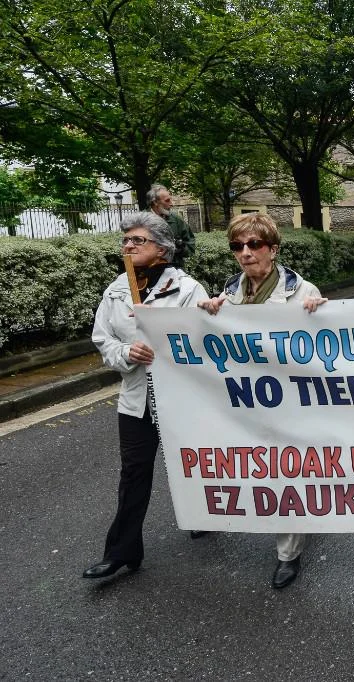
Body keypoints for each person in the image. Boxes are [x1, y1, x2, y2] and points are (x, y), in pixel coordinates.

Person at [197, 214, 327, 589]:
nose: (245, 253)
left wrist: (322, 315)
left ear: (273, 249)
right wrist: (207, 317)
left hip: (290, 399)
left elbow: (326, 345)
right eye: (237, 246)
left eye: (254, 244)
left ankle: (288, 554)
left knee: (287, 471)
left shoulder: (303, 292)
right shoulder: (228, 294)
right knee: (254, 466)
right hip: (246, 400)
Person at [83, 212, 209, 581]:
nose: (128, 245)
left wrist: (164, 340)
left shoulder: (188, 289)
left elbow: (205, 342)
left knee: (192, 463)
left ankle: (204, 515)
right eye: (125, 240)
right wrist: (127, 353)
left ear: (162, 248)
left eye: (137, 240)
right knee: (134, 472)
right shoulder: (116, 289)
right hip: (136, 399)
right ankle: (122, 552)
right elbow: (103, 339)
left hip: (180, 399)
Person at [146, 184, 195, 268]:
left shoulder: (177, 220)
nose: (172, 204)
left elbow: (191, 246)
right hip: (148, 270)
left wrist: (181, 248)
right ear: (155, 202)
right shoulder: (140, 220)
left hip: (174, 270)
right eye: (167, 200)